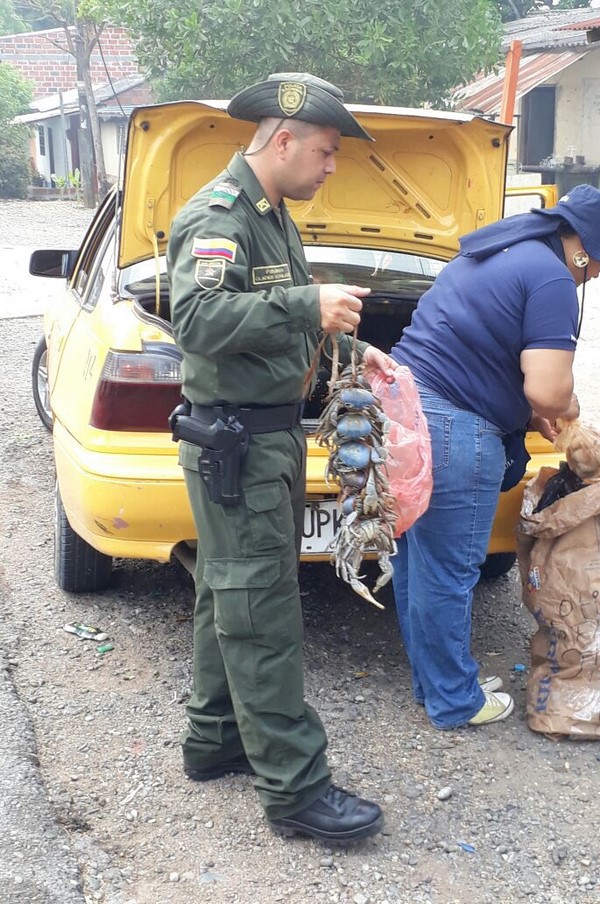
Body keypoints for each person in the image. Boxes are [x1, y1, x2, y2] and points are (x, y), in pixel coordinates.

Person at [166, 72, 396, 843]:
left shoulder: (271, 217)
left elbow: (278, 329)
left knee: (227, 593)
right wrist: (308, 302)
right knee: (260, 610)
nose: (331, 168)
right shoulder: (219, 216)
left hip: (264, 439)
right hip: (237, 444)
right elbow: (198, 319)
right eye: (326, 153)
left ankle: (215, 739)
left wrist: (355, 352)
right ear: (284, 139)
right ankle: (296, 790)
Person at [389, 184, 600, 731]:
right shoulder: (552, 278)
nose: (597, 275)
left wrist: (527, 411)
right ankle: (455, 700)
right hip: (453, 423)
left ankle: (435, 684)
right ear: (581, 248)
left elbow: (482, 346)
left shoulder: (500, 249)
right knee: (451, 569)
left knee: (418, 560)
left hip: (406, 409)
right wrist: (566, 406)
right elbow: (548, 391)